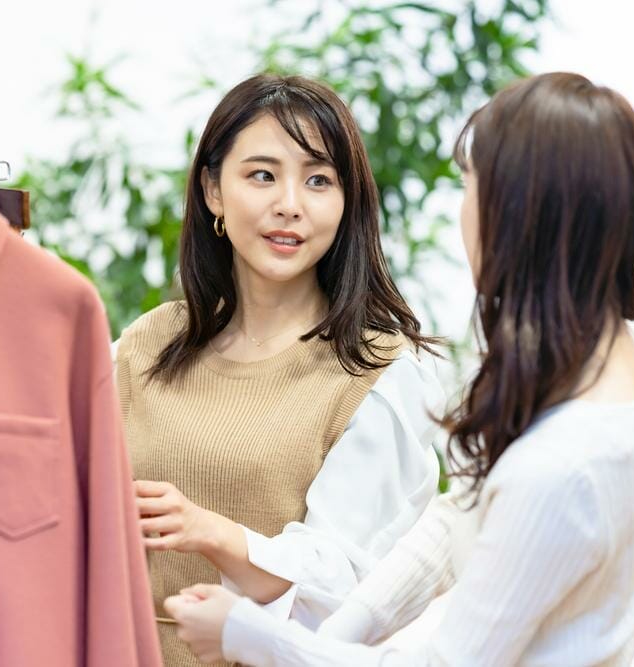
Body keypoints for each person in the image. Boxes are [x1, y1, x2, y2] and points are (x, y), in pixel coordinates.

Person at [165, 71, 634, 666]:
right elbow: (458, 523)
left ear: (522, 216)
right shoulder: (604, 357)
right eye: (262, 174)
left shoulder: (558, 468)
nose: (462, 212)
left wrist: (252, 635)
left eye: (470, 186)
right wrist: (332, 637)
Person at [114, 74, 446, 666]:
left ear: (347, 204)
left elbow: (346, 587)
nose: (289, 204)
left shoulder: (381, 373)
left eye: (318, 180)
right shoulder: (146, 345)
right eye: (262, 175)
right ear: (213, 190)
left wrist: (212, 533)